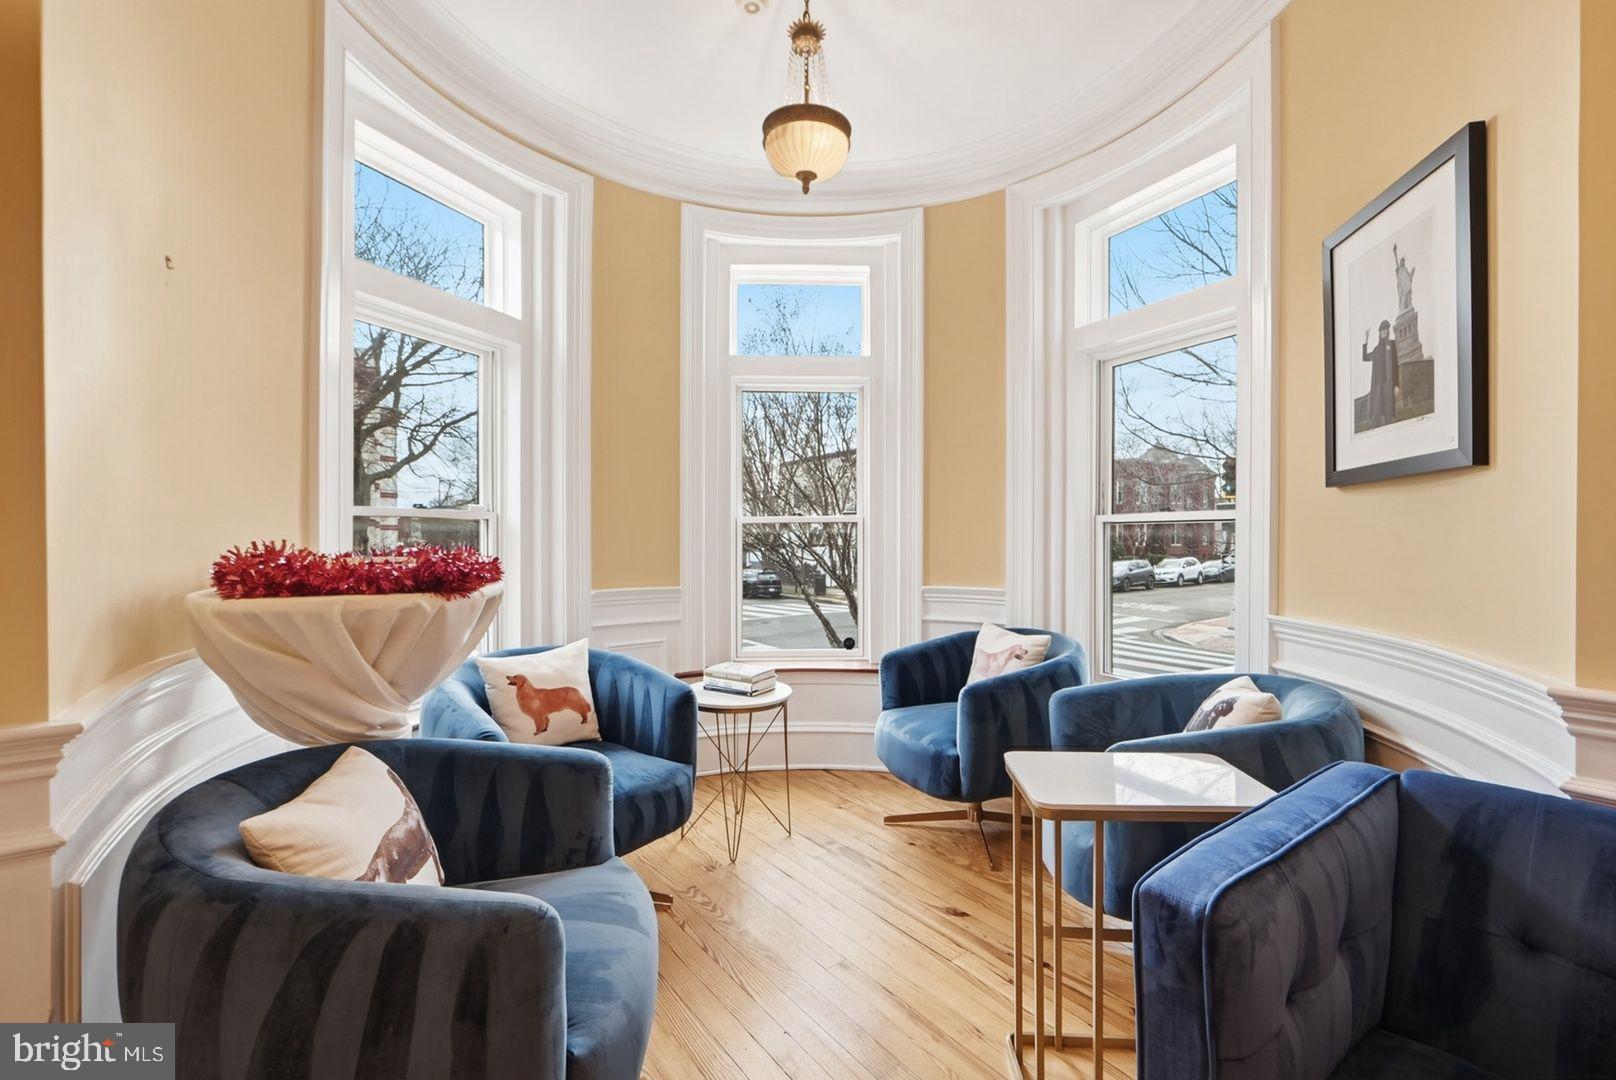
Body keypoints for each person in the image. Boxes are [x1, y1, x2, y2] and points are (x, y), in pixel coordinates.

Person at [1362, 319, 1397, 428]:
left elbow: (1395, 366)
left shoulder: (1392, 345)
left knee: (1387, 411)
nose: (1383, 332)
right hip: (1377, 384)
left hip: (1388, 382)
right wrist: (1366, 340)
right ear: (1379, 332)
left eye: (1385, 329)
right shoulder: (1376, 349)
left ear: (1388, 331)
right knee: (1378, 411)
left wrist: (1396, 385)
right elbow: (1365, 357)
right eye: (1382, 330)